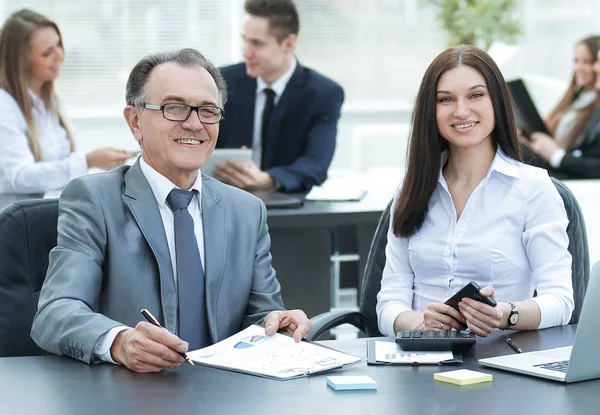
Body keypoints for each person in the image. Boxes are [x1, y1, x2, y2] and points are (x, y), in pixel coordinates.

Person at [31, 48, 311, 373]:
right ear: (135, 122)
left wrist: (280, 323)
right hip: (132, 398)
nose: (194, 124)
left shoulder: (246, 211)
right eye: (175, 108)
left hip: (225, 397)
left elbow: (261, 318)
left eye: (208, 110)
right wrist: (119, 341)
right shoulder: (94, 200)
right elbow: (55, 312)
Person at [376, 45, 574, 339]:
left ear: (497, 101)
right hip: (418, 364)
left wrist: (506, 314)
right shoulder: (412, 188)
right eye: (446, 99)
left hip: (499, 362)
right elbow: (388, 304)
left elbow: (561, 302)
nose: (461, 111)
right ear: (431, 110)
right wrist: (420, 324)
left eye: (475, 95)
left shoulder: (533, 187)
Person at [0, 9, 136, 197]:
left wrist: (103, 167)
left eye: (58, 45)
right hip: (19, 215)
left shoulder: (50, 102)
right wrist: (88, 161)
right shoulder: (5, 106)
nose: (60, 56)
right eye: (47, 53)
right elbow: (21, 177)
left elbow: (65, 164)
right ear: (21, 62)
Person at [213, 0, 344, 193]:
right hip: (226, 197)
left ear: (289, 44)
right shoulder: (221, 81)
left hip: (285, 204)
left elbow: (316, 164)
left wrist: (269, 180)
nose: (246, 52)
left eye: (257, 43)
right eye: (245, 40)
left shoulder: (323, 93)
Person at [522, 35, 600, 175]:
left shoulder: (595, 111)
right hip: (549, 160)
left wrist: (555, 154)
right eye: (576, 61)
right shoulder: (573, 100)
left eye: (586, 61)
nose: (578, 67)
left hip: (563, 169)